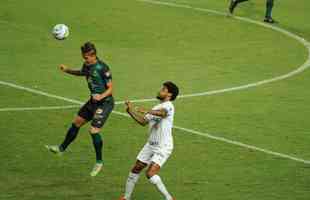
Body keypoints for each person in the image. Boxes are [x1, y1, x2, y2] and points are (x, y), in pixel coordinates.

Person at [46, 42, 114, 177]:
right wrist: (67, 70)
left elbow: (111, 88)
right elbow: (82, 73)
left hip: (105, 103)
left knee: (93, 130)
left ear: (93, 55)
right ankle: (61, 148)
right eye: (83, 57)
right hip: (92, 102)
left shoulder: (103, 68)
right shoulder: (87, 65)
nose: (84, 59)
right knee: (76, 122)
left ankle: (99, 162)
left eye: (86, 57)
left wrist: (101, 96)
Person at [119, 81, 179, 200]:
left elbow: (162, 114)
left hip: (163, 146)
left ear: (169, 95)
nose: (160, 91)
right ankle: (126, 197)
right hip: (150, 145)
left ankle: (169, 198)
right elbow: (143, 121)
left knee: (150, 173)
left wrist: (147, 110)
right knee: (136, 168)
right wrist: (130, 111)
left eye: (163, 89)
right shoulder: (156, 107)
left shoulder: (168, 106)